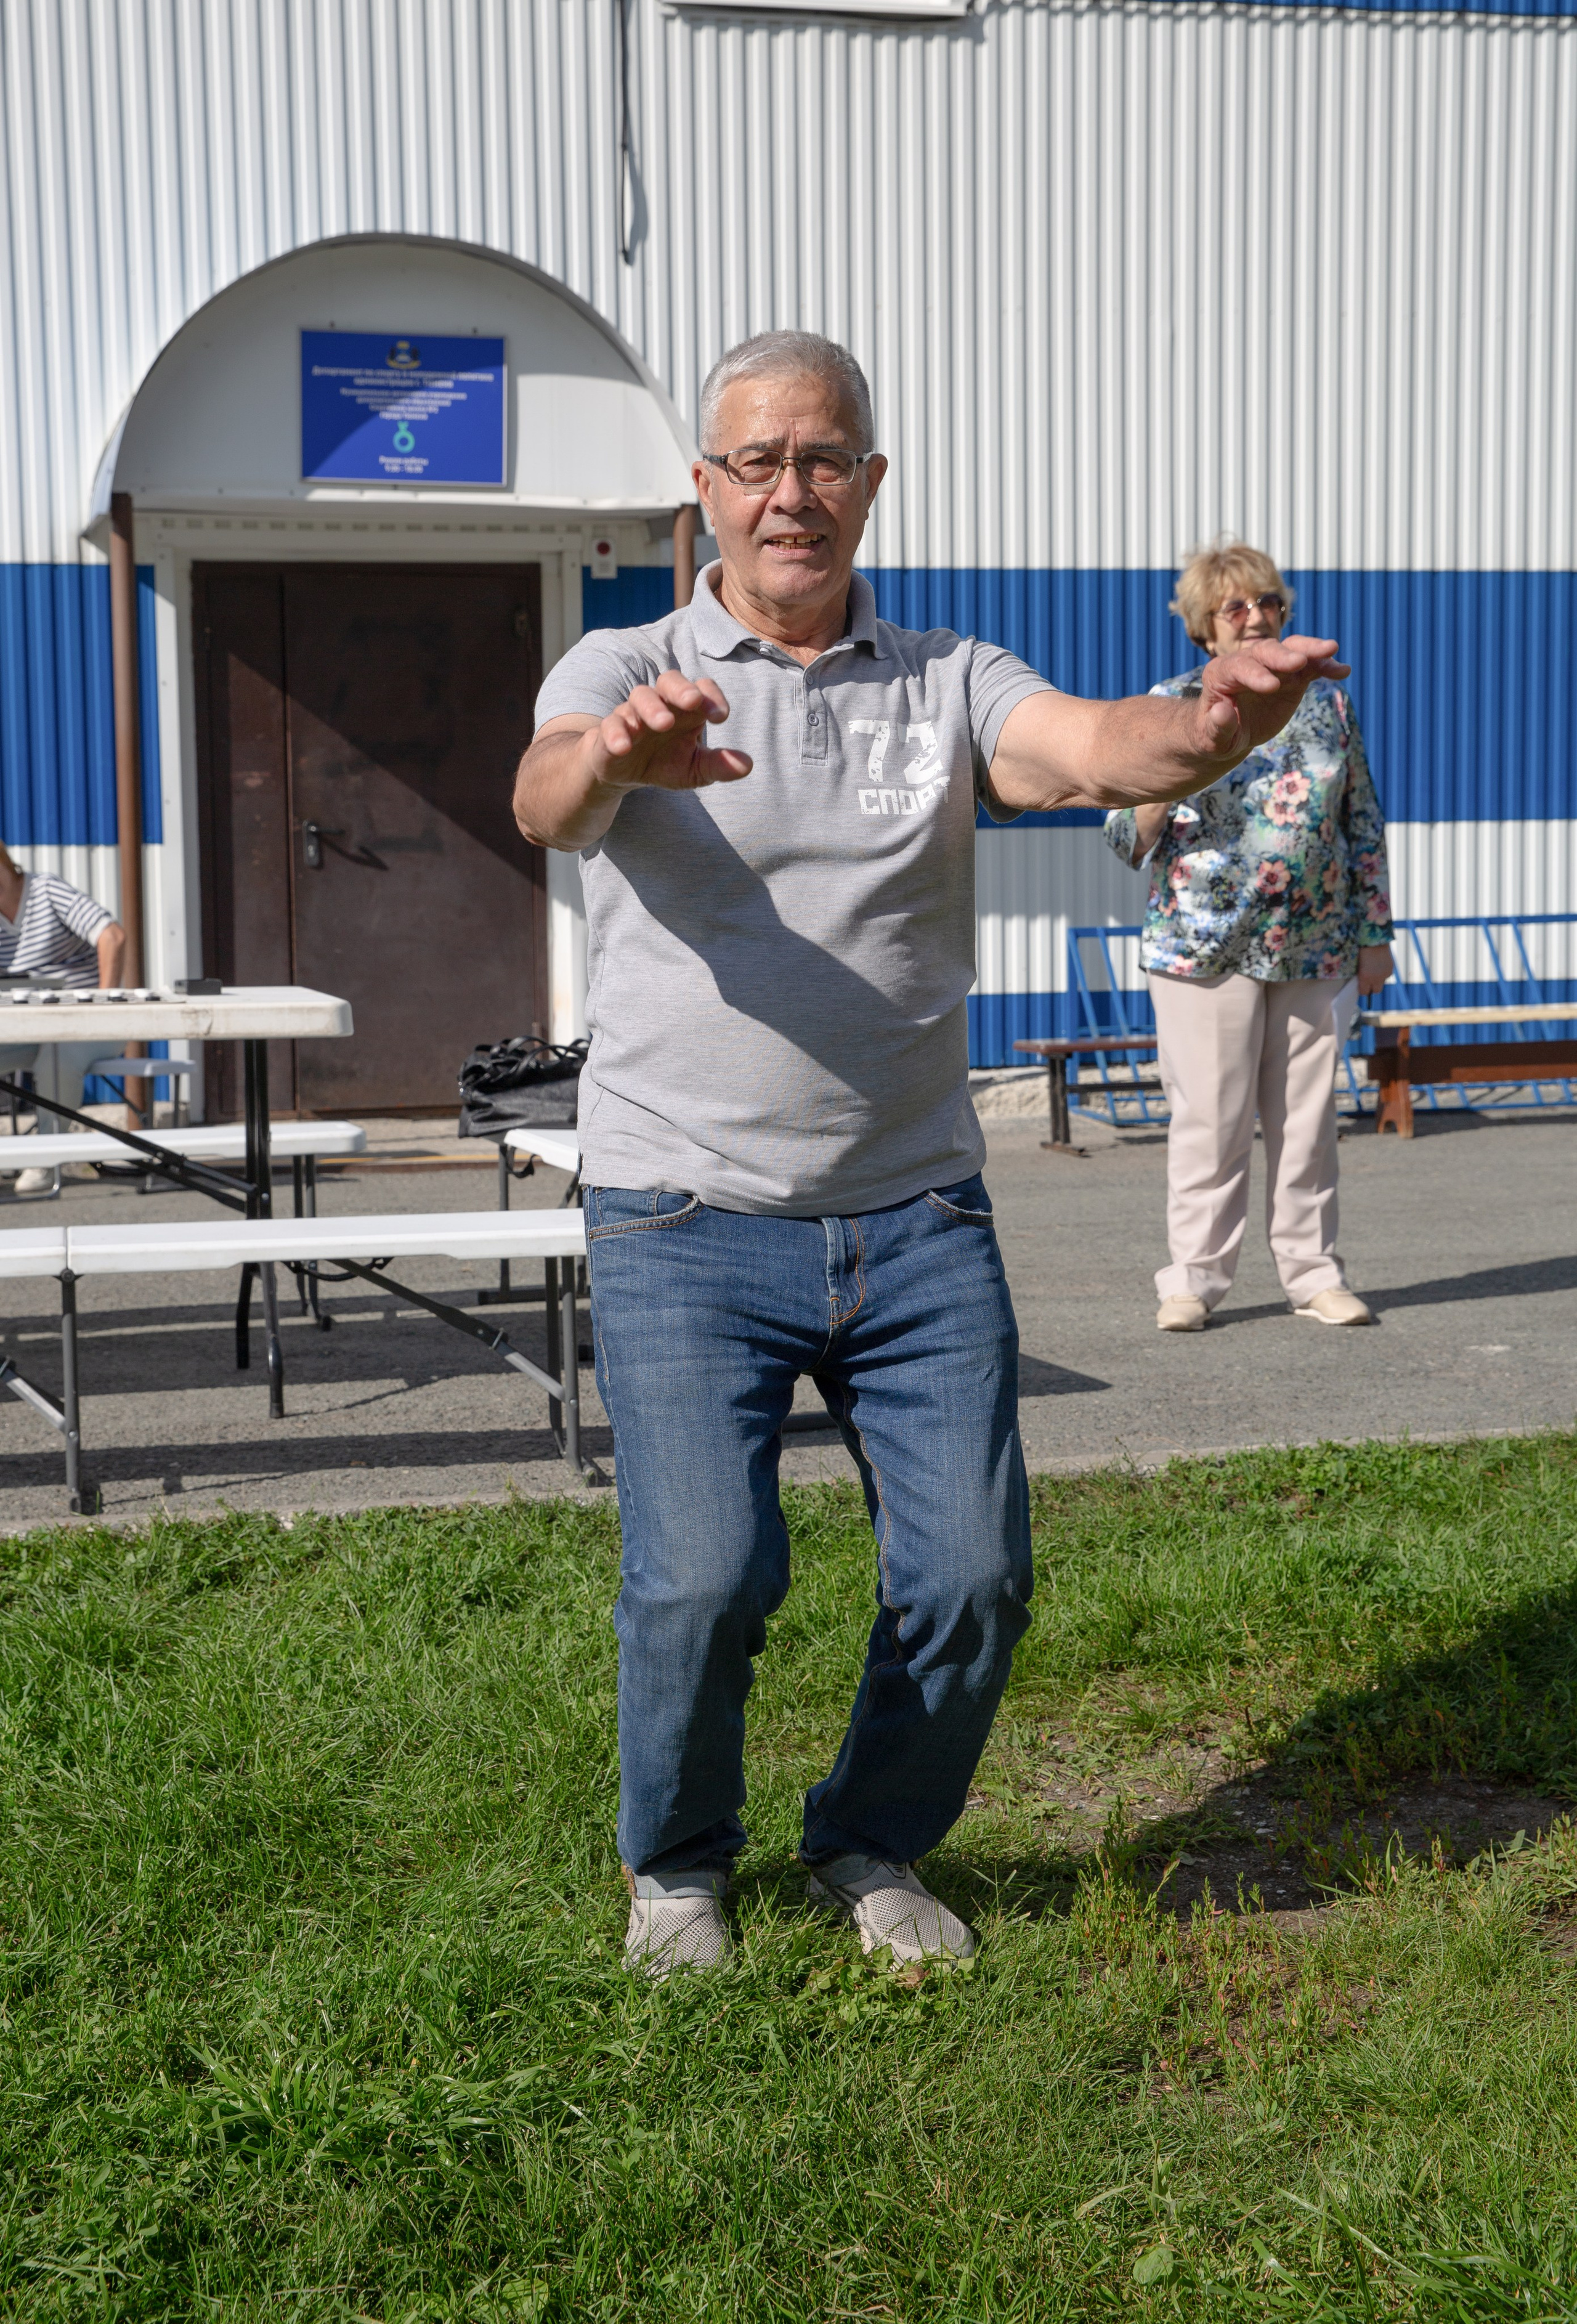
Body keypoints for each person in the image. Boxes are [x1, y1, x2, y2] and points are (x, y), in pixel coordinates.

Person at [514, 334, 1347, 1978]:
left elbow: (1098, 749)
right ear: (705, 487)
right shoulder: (618, 664)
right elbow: (545, 795)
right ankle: (678, 1868)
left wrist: (1214, 724)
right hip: (683, 1208)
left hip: (913, 1212)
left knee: (973, 1577)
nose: (790, 492)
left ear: (871, 485)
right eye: (756, 462)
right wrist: (623, 755)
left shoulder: (946, 674)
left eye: (824, 459)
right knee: (706, 1577)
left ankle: (870, 1835)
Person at [1104, 540, 1395, 1332]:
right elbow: (1120, 839)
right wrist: (1159, 792)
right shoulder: (1167, 702)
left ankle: (1313, 1274)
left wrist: (1376, 933)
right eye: (1236, 606)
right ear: (1205, 627)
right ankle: (1191, 1281)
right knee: (1212, 1119)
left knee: (1307, 1123)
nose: (1257, 616)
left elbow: (1361, 821)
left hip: (1316, 941)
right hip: (1204, 946)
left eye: (1268, 602)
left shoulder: (1327, 706)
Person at [0, 850, 126, 1195]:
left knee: (58, 1052)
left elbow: (112, 936)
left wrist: (101, 1005)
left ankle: (45, 1158)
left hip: (89, 1025)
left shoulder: (46, 890)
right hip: (28, 1028)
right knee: (46, 1047)